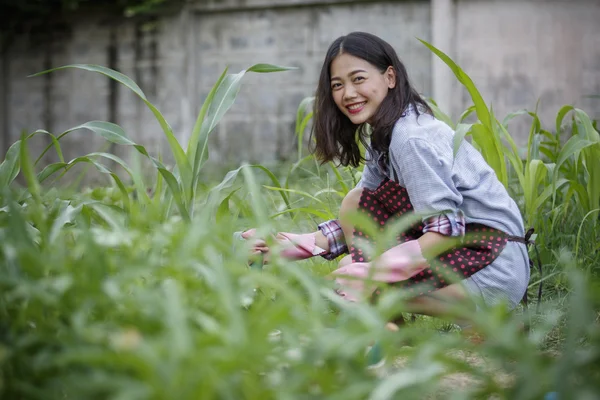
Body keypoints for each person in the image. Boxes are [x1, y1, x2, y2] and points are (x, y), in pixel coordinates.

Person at [239, 31, 530, 324]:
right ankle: (391, 326)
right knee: (355, 222)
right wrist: (290, 246)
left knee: (354, 277)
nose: (348, 93)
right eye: (337, 85)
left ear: (390, 77)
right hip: (468, 252)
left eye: (358, 79)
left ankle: (482, 320)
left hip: (494, 266)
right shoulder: (387, 136)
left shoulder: (411, 138)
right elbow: (358, 217)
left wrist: (374, 274)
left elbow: (445, 231)